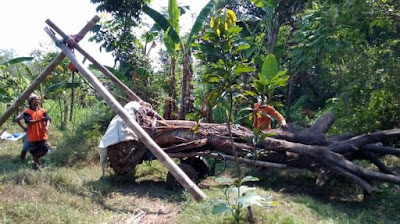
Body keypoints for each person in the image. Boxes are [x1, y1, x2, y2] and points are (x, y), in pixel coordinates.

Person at [22, 93, 51, 169]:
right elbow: (28, 122)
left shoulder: (42, 110)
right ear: (31, 101)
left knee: (45, 150)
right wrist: (39, 120)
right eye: (36, 99)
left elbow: (48, 118)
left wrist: (47, 126)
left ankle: (36, 158)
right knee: (34, 152)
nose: (38, 101)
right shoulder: (27, 112)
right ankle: (38, 167)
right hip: (33, 136)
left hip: (42, 135)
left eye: (38, 99)